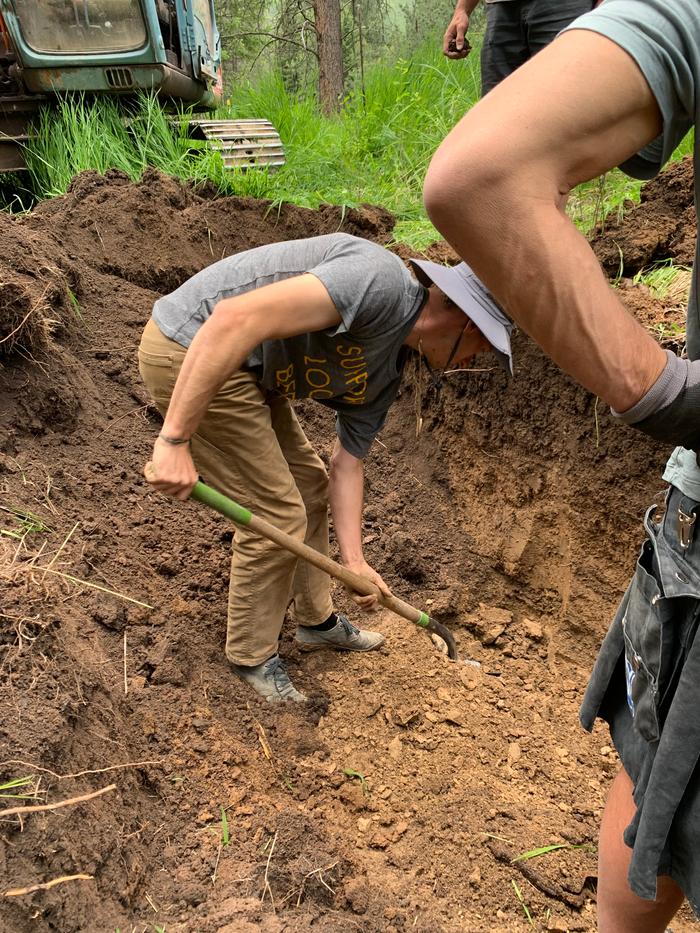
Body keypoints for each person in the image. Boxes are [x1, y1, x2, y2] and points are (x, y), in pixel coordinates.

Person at [424, 1, 700, 930]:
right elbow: (481, 176)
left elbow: (486, 171)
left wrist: (667, 394)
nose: (468, 369)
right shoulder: (365, 298)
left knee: (661, 752)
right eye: (472, 355)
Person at [139, 233, 512, 704]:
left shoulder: (388, 371)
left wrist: (354, 564)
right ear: (467, 323)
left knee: (308, 487)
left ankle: (316, 622)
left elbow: (346, 464)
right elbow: (232, 317)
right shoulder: (379, 283)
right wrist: (174, 439)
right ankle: (251, 656)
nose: (471, 360)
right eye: (480, 348)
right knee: (277, 509)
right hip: (190, 348)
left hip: (250, 374)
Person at [443, 0, 595, 96]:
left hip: (564, 6)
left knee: (567, 103)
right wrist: (462, 9)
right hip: (500, 8)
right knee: (496, 112)